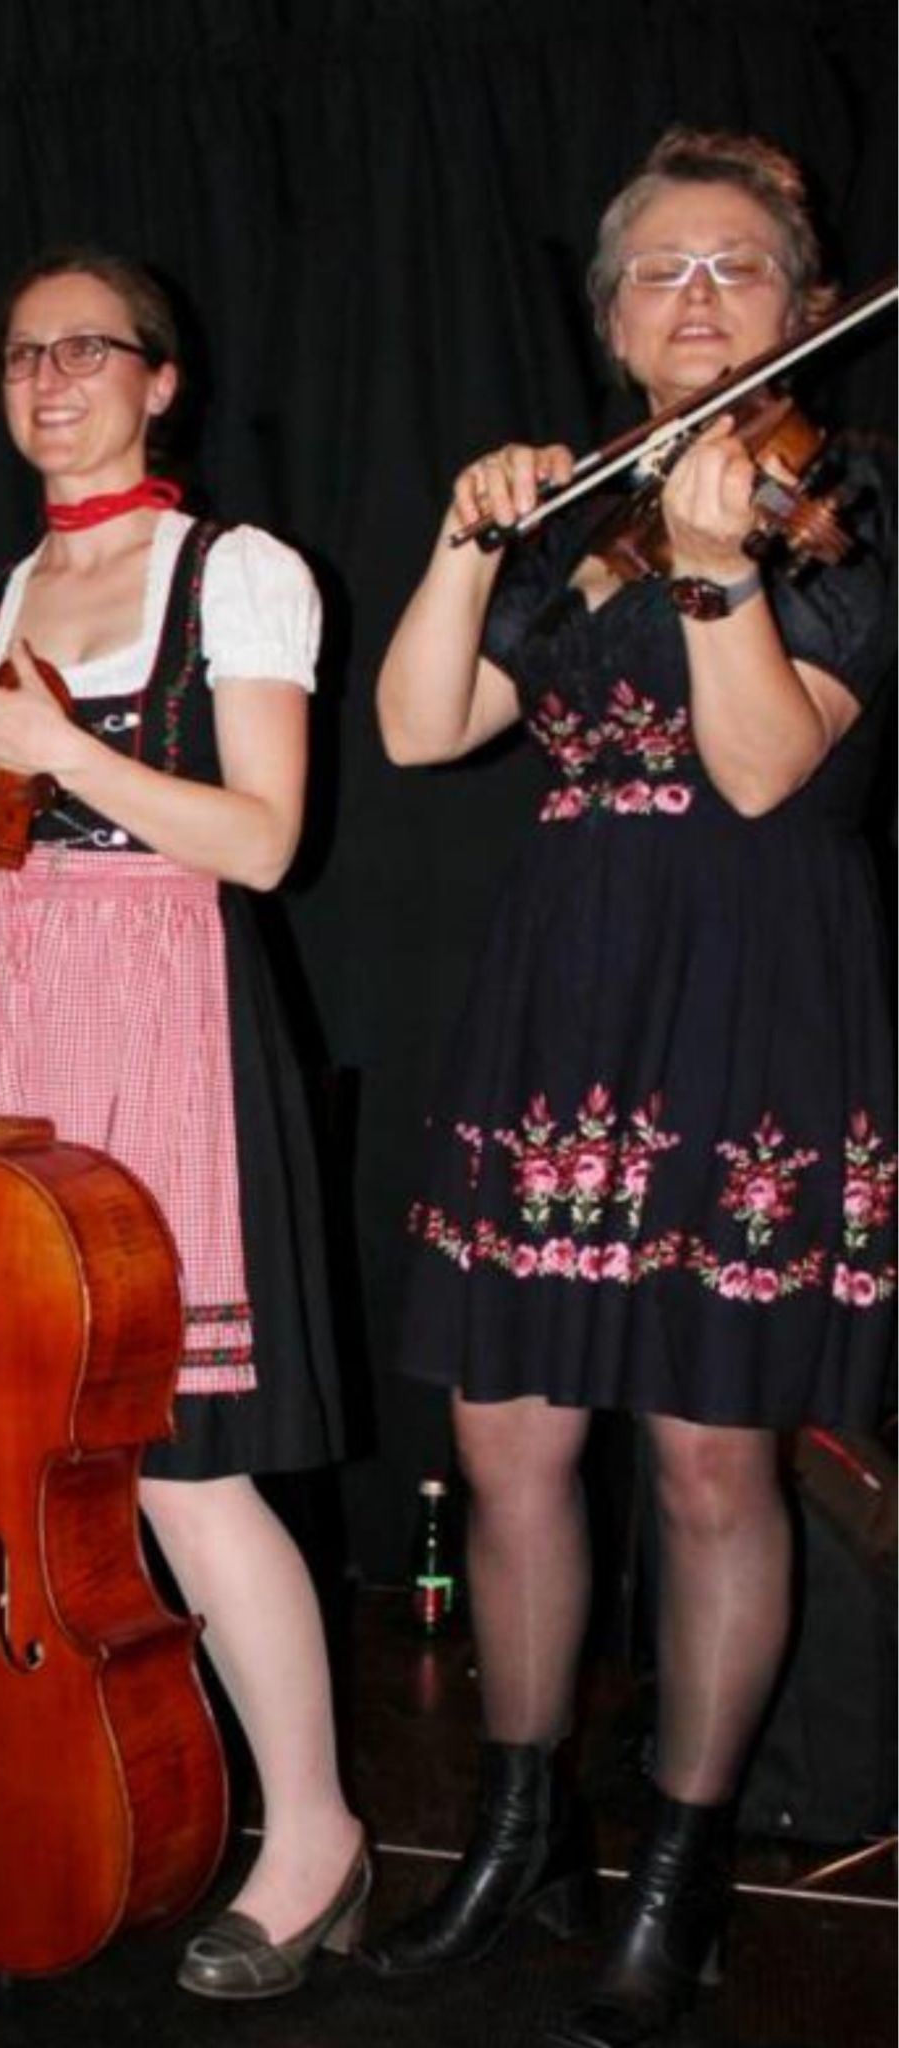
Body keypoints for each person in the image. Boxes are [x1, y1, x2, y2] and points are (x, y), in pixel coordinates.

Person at [365, 130, 894, 2048]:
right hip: (567, 996)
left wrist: (716, 563)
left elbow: (761, 769)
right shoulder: (582, 513)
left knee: (706, 1458)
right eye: (659, 270)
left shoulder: (850, 502)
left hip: (748, 998)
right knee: (507, 1437)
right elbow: (422, 729)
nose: (697, 297)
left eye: (737, 267)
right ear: (609, 319)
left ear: (803, 306)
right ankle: (519, 1840)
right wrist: (466, 534)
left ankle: (682, 1878)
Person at [0, 246, 367, 2000]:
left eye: (88, 349)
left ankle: (317, 1835)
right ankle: (38, 1787)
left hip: (158, 1011)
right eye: (23, 354)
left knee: (186, 1468)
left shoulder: (236, 576)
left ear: (162, 381)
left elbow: (262, 841)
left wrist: (67, 753)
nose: (51, 378)